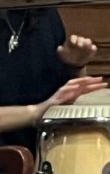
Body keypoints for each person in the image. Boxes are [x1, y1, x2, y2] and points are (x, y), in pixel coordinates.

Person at [0, 8, 103, 150]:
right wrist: (36, 112)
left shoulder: (45, 12)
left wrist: (74, 66)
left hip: (46, 148)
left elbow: (59, 97)